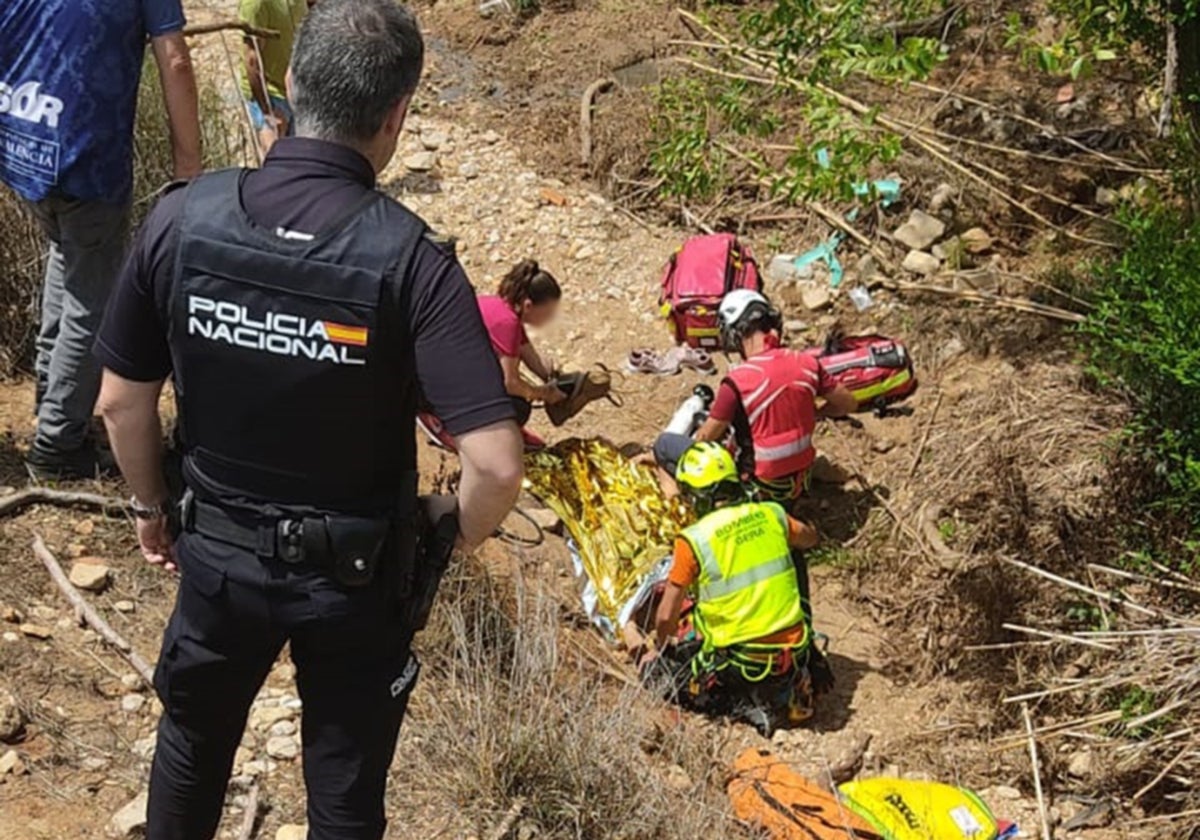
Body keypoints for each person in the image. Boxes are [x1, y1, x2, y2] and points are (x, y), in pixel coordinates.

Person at [93, 2, 524, 837]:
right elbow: (499, 465)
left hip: (216, 555)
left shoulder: (183, 218)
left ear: (289, 86)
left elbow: (119, 401)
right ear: (397, 115)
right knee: (345, 793)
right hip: (355, 581)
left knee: (190, 749)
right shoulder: (414, 263)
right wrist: (448, 531)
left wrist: (151, 512)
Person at [1, 0, 202, 479]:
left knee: (67, 260)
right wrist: (189, 166)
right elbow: (173, 58)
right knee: (91, 301)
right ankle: (56, 446)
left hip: (24, 141)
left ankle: (54, 404)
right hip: (85, 157)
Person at [641, 442, 826, 736]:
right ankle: (791, 688)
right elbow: (808, 539)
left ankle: (743, 705)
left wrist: (658, 648)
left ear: (695, 496)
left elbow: (666, 617)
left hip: (741, 663)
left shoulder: (694, 540)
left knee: (656, 675)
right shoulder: (772, 514)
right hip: (792, 653)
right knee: (795, 554)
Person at [652, 289, 858, 505]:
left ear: (734, 332)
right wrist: (816, 412)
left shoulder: (737, 381)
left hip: (754, 489)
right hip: (796, 485)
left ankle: (675, 503)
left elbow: (706, 438)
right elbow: (848, 403)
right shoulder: (806, 363)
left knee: (665, 444)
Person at [477, 259, 568, 427]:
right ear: (528, 306)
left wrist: (549, 377)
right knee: (518, 407)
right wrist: (543, 394)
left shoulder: (501, 307)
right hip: (446, 383)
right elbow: (510, 383)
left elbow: (525, 350)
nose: (549, 318)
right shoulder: (508, 323)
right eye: (547, 312)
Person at [240, 0, 313, 153]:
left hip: (297, 89)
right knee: (274, 157)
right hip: (270, 93)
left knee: (300, 158)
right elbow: (252, 61)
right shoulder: (255, 4)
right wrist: (267, 111)